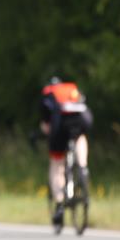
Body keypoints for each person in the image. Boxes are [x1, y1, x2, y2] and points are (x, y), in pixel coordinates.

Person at [39, 77, 93, 225]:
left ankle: (59, 205)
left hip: (60, 123)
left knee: (57, 164)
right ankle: (83, 167)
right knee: (80, 137)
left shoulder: (48, 92)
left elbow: (46, 124)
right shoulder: (71, 88)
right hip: (82, 118)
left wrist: (46, 132)